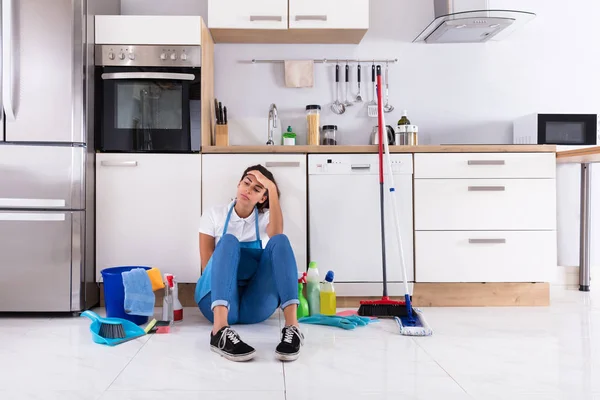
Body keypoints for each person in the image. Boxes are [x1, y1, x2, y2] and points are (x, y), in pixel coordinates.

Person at [195, 164, 303, 362]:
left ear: (263, 198)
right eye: (246, 183)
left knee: (280, 240)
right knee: (228, 240)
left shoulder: (266, 219)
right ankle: (219, 332)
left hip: (255, 305)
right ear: (238, 184)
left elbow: (276, 233)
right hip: (217, 301)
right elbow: (206, 264)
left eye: (257, 189)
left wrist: (272, 188)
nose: (248, 190)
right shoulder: (213, 215)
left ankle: (292, 328)